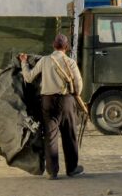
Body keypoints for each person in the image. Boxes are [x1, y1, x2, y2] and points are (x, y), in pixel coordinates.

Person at [18, 34, 85, 179]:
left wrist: (24, 62)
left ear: (53, 46)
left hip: (48, 101)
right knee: (69, 135)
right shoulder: (70, 62)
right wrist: (75, 94)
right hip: (66, 101)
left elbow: (29, 77)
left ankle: (52, 172)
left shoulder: (45, 60)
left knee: (50, 136)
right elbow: (78, 85)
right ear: (66, 47)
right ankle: (72, 169)